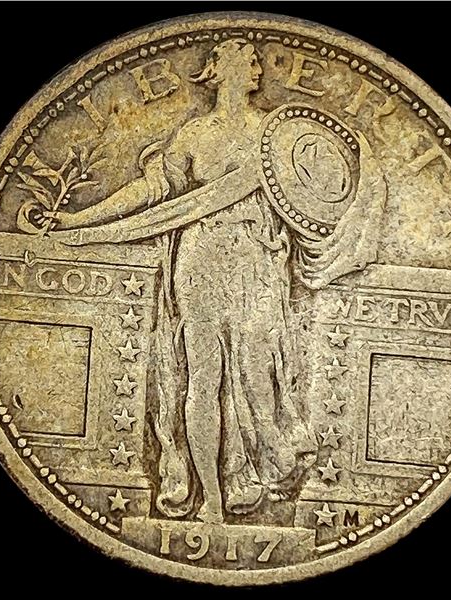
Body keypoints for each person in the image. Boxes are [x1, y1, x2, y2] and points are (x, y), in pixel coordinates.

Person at [45, 40, 319, 524]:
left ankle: (248, 476)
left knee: (258, 372)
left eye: (256, 61)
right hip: (201, 255)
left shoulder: (276, 133)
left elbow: (312, 196)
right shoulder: (194, 134)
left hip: (256, 259)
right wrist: (82, 220)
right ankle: (209, 498)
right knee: (202, 376)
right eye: (247, 59)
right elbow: (153, 191)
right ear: (219, 69)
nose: (257, 66)